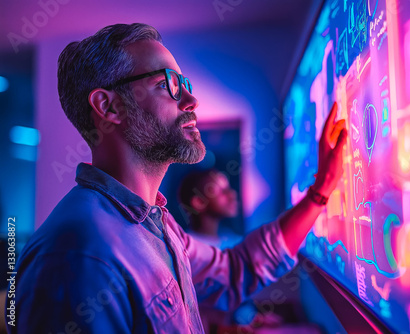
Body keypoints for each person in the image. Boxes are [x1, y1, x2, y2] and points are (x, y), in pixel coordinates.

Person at [6, 23, 347, 333]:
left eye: (185, 84)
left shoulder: (160, 225)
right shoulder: (76, 255)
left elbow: (233, 272)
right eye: (167, 83)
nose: (191, 100)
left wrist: (320, 191)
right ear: (108, 108)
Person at [178, 169, 241, 249]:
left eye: (228, 188)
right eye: (222, 191)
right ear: (199, 202)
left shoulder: (233, 241)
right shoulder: (184, 248)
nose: (232, 194)